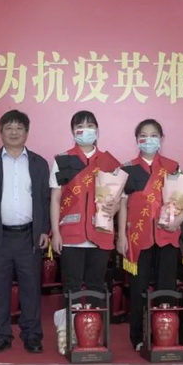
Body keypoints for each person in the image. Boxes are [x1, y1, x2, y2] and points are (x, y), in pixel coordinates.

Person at [0, 110, 50, 354]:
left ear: (27, 132)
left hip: (29, 236)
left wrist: (45, 229)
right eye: (9, 127)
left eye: (19, 128)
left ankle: (32, 335)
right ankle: (1, 335)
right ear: (1, 132)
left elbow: (45, 199)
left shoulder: (39, 163)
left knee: (31, 288)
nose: (14, 132)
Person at [116, 119, 181, 351]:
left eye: (154, 135)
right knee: (138, 289)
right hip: (138, 238)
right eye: (143, 135)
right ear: (137, 140)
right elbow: (123, 205)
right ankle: (139, 337)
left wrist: (179, 221)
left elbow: (182, 200)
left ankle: (166, 335)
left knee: (166, 287)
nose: (148, 139)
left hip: (166, 235)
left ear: (161, 139)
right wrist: (121, 236)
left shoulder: (172, 167)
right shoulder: (127, 169)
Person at [50, 110, 120, 302]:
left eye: (90, 126)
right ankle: (72, 322)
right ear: (72, 131)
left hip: (100, 232)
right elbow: (55, 199)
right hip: (70, 235)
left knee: (96, 286)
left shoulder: (109, 162)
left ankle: (92, 322)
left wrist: (115, 208)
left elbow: (118, 198)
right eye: (80, 126)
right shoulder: (62, 160)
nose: (85, 130)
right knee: (71, 286)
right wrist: (55, 233)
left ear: (97, 130)